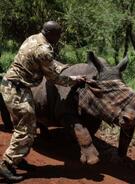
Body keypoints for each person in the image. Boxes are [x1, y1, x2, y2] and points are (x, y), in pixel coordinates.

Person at [0, 21, 86, 181]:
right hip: (17, 89)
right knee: (27, 128)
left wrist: (60, 67)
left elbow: (42, 64)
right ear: (51, 34)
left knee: (22, 127)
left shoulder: (33, 38)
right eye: (58, 35)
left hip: (12, 85)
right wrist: (75, 79)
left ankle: (17, 159)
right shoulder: (44, 49)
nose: (59, 38)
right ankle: (6, 165)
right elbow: (55, 79)